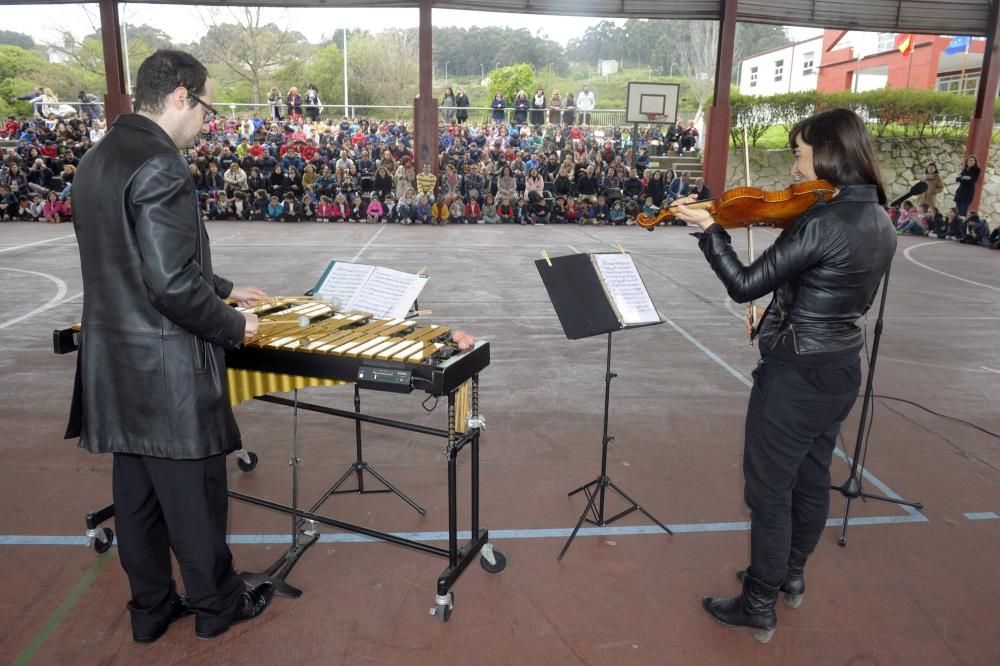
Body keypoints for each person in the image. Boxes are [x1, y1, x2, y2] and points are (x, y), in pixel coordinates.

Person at [68, 50, 273, 644]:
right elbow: (170, 284)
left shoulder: (97, 159)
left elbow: (133, 260)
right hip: (167, 372)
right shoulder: (161, 164)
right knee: (195, 501)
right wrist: (235, 326)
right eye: (207, 107)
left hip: (115, 366)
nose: (207, 122)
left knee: (136, 502)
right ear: (181, 96)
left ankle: (151, 610)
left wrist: (226, 287)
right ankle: (216, 607)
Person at [673, 108, 896, 644]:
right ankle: (789, 575)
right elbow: (827, 293)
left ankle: (758, 604)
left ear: (827, 154)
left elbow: (746, 284)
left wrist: (711, 231)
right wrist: (782, 312)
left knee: (769, 491)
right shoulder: (881, 221)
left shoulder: (823, 222)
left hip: (794, 376)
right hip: (840, 366)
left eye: (799, 154)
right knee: (812, 476)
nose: (795, 169)